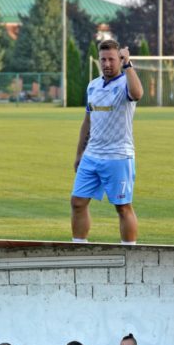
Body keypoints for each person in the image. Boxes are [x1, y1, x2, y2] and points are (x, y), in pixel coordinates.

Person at [71, 39, 143, 245]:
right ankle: (78, 247)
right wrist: (79, 154)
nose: (107, 64)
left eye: (111, 59)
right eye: (103, 59)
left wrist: (129, 64)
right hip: (92, 155)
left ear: (119, 60)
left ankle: (129, 252)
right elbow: (87, 122)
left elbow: (137, 93)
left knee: (122, 207)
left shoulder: (125, 83)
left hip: (118, 156)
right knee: (77, 202)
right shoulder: (93, 85)